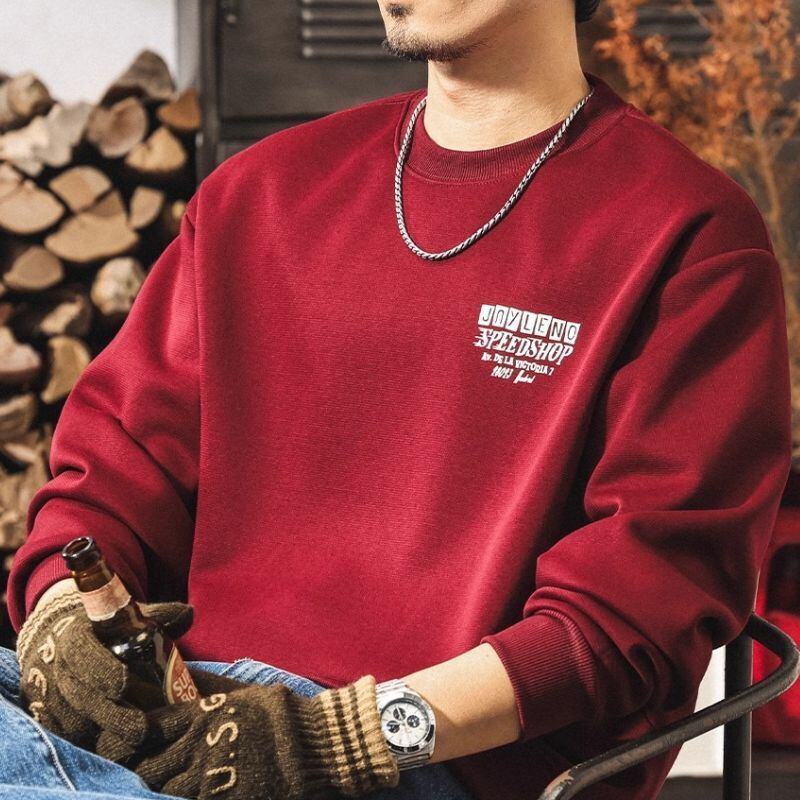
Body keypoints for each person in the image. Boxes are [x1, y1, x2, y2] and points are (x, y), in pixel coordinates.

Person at [2, 0, 792, 798]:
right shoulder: (258, 193)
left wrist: (342, 738)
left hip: (432, 753)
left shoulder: (689, 235)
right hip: (192, 710)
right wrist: (63, 613)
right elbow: (111, 473)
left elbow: (639, 610)